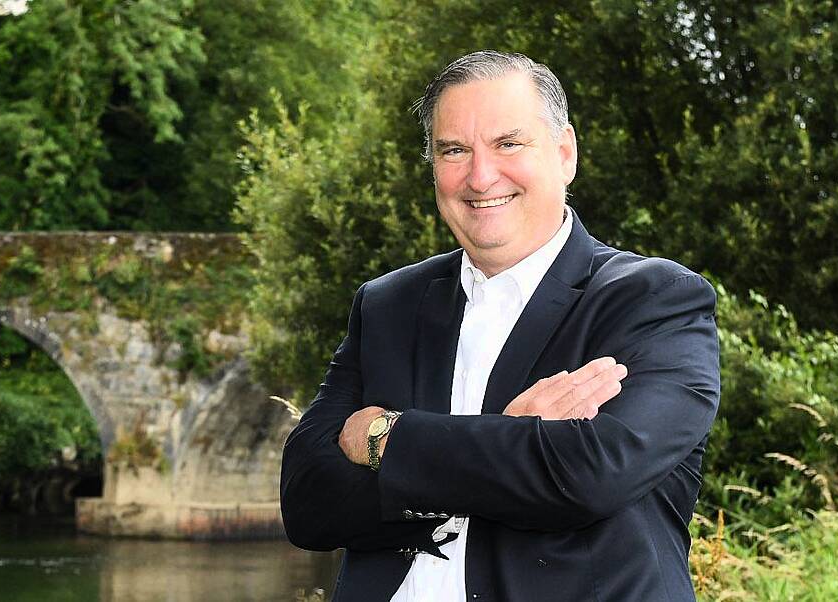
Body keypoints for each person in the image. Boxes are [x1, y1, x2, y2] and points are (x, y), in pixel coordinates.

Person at [280, 50, 720, 602]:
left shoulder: (653, 300)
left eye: (508, 143)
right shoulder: (387, 304)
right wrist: (512, 440)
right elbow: (307, 506)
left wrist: (384, 438)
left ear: (564, 153)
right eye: (454, 150)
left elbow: (589, 475)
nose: (481, 175)